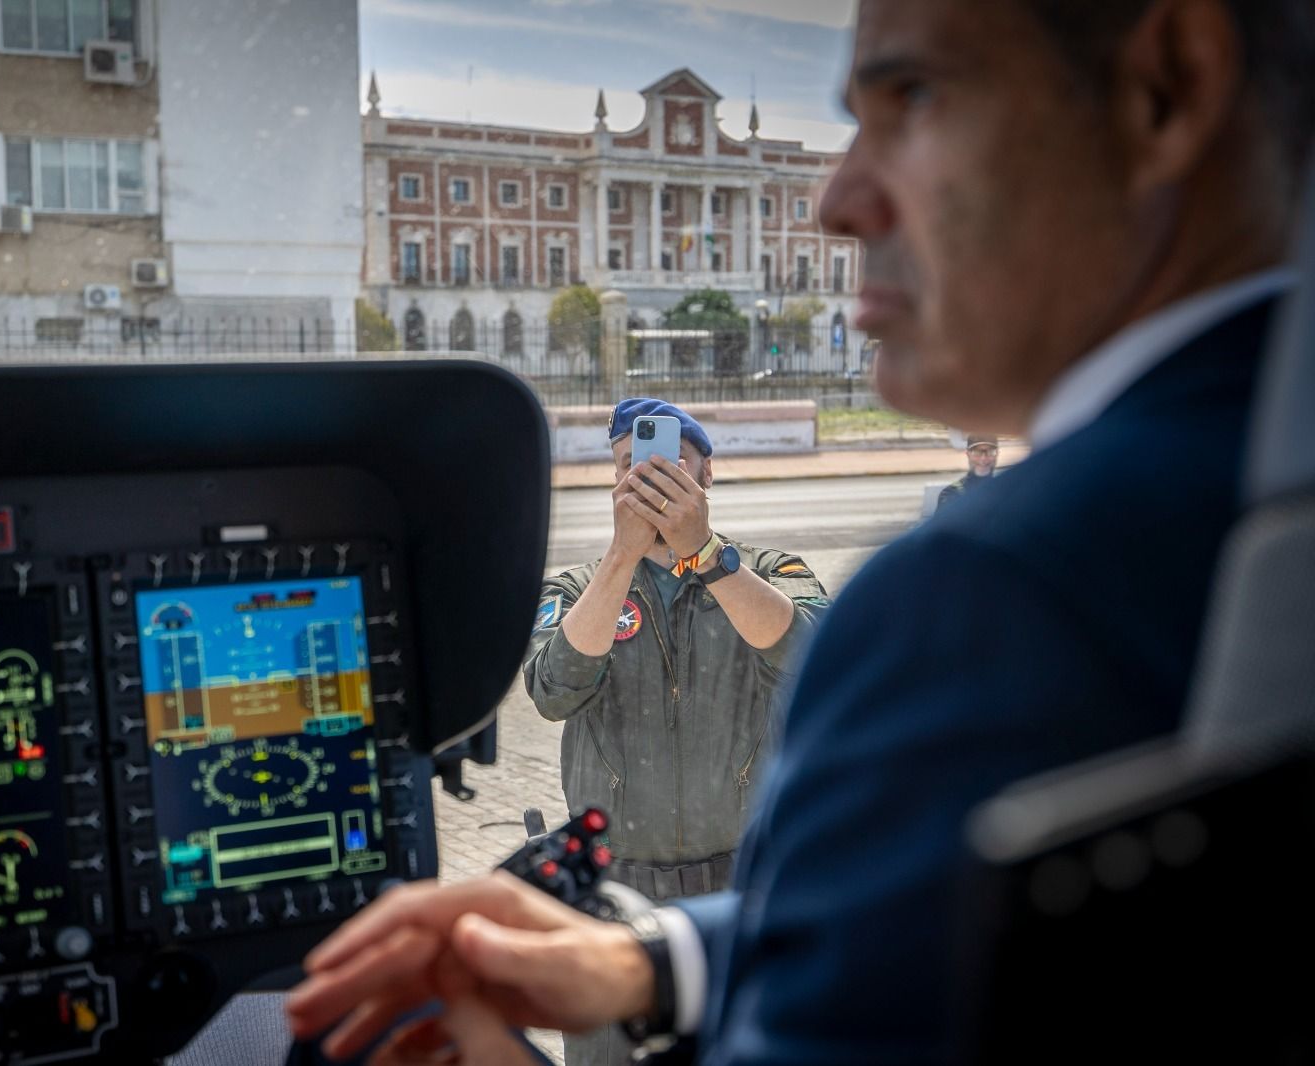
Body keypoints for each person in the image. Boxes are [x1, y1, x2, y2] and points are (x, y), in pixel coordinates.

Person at [286, 1, 1314, 1062]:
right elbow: (931, 932)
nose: (834, 201)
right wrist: (653, 965)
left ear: (1167, 86)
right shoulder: (1248, 477)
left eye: (911, 98)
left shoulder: (985, 590)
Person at [526, 398, 828, 1065]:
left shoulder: (772, 572)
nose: (647, 482)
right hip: (611, 897)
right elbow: (551, 690)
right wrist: (620, 560)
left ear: (706, 475)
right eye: (629, 467)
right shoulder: (580, 587)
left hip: (740, 890)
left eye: (669, 465)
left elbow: (814, 661)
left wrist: (707, 558)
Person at [936, 434, 1000, 509]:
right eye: (976, 452)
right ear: (968, 454)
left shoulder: (1007, 490)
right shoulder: (951, 493)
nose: (983, 458)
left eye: (990, 452)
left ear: (997, 454)